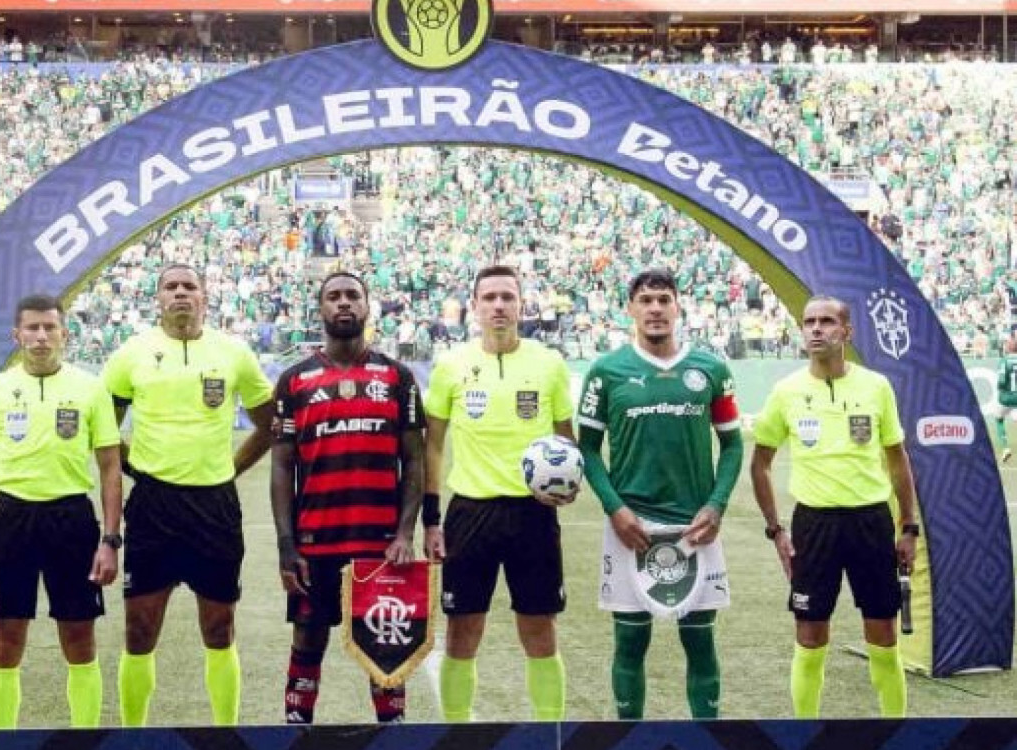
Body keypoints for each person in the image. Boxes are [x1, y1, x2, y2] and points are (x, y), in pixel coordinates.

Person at [103, 264, 275, 726]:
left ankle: (226, 733)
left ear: (205, 296)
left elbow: (269, 425)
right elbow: (103, 429)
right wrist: (135, 467)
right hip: (153, 507)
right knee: (139, 629)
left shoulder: (233, 353)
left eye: (189, 286)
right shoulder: (131, 354)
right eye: (171, 286)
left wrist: (232, 468)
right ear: (158, 298)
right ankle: (132, 735)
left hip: (214, 506)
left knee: (219, 627)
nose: (180, 292)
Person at [576, 268, 743, 719]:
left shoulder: (710, 369)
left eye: (663, 299)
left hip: (696, 528)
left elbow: (732, 444)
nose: (655, 308)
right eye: (646, 300)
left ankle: (707, 735)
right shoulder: (606, 372)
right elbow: (588, 449)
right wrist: (615, 508)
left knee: (700, 642)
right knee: (630, 641)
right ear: (630, 309)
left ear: (677, 307)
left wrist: (716, 505)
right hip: (632, 527)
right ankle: (628, 735)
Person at [0, 293, 122, 729]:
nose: (42, 336)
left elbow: (110, 469)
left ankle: (85, 737)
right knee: (6, 640)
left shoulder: (90, 389)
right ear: (17, 335)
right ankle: (1, 738)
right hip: (11, 520)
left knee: (79, 637)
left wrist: (110, 540)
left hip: (72, 519)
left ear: (65, 334)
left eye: (50, 328)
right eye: (33, 328)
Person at [270, 271, 429, 724]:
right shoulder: (294, 381)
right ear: (320, 308)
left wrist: (405, 534)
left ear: (367, 306)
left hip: (380, 546)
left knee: (386, 645)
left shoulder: (397, 378)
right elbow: (281, 467)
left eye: (352, 295)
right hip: (315, 543)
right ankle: (297, 727)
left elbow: (415, 460)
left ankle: (392, 730)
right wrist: (287, 546)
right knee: (307, 639)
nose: (344, 303)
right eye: (334, 296)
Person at [750, 295, 918, 718]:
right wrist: (776, 529)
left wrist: (909, 527)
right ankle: (804, 733)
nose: (816, 329)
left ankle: (895, 731)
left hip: (871, 521)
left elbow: (897, 459)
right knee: (809, 635)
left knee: (883, 635)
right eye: (809, 322)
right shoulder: (786, 392)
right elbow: (760, 463)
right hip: (814, 525)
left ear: (847, 332)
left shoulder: (876, 386)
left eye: (827, 321)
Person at [424, 264, 575, 722]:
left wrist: (569, 482)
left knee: (539, 628)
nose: (499, 306)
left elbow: (565, 440)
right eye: (489, 298)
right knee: (463, 629)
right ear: (474, 307)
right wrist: (431, 518)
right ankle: (456, 732)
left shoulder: (549, 364)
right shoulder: (451, 365)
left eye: (508, 297)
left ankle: (549, 734)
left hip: (534, 514)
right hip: (470, 512)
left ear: (521, 305)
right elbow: (433, 445)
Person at [994, 335, 1017, 462]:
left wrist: (1000, 388)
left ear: (1009, 348)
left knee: (998, 419)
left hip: (1006, 398)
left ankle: (1006, 448)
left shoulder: (1004, 360)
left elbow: (1002, 381)